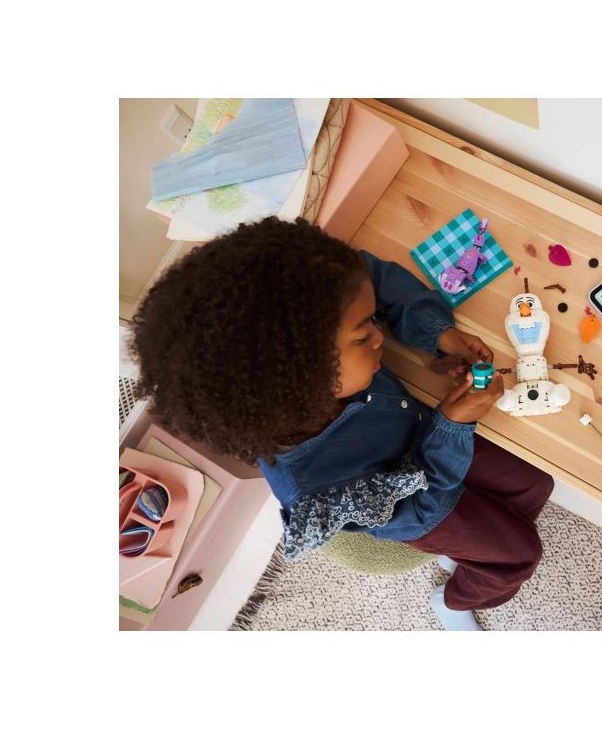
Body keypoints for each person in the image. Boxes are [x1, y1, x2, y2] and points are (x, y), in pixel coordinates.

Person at [130, 216, 554, 630]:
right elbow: (417, 509)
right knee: (519, 554)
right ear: (302, 379)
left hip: (426, 435)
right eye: (363, 335)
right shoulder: (313, 486)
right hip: (421, 502)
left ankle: (471, 551)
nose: (379, 336)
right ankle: (452, 601)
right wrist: (452, 425)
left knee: (536, 482)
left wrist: (439, 335)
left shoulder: (320, 306)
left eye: (370, 323)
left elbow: (370, 279)